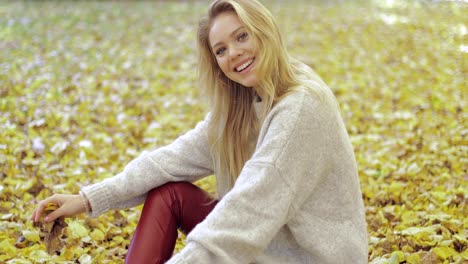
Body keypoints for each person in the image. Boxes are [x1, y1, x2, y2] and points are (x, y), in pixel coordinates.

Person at [32, 0, 368, 263]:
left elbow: (246, 212)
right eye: (220, 50)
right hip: (271, 242)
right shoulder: (248, 101)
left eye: (242, 36)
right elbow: (171, 160)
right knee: (170, 194)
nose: (234, 53)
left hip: (306, 257)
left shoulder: (300, 109)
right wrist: (87, 199)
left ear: (264, 30)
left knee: (222, 216)